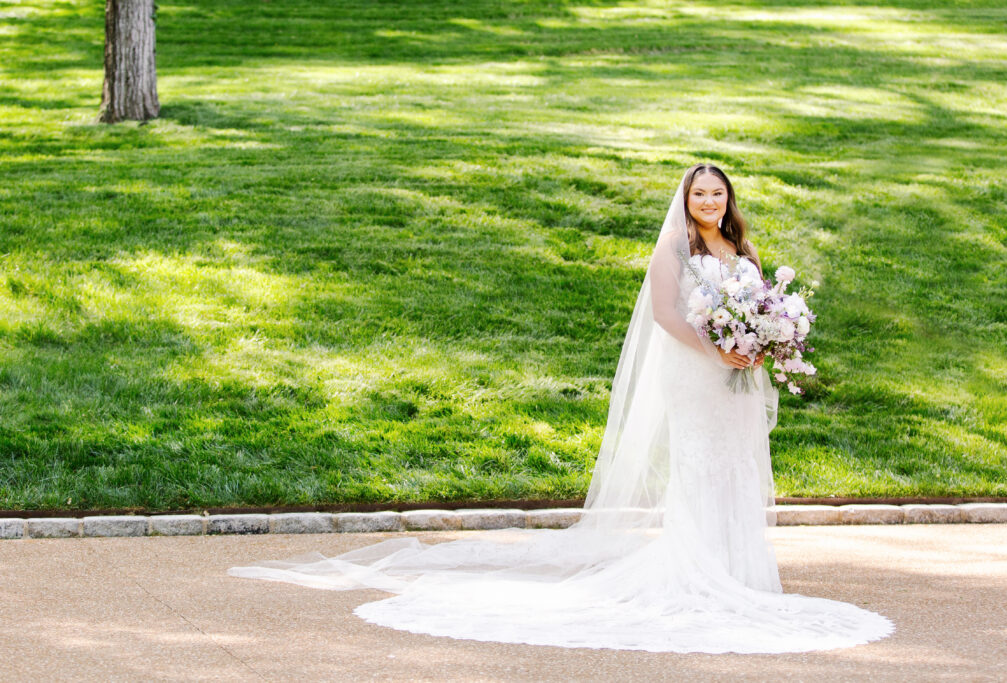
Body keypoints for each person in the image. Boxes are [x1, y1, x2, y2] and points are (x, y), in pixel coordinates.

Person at [229, 163, 893, 653]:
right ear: (686, 201)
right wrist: (718, 351)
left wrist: (761, 341)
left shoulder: (741, 250)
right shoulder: (675, 250)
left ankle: (740, 571)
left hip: (735, 383)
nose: (709, 201)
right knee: (699, 469)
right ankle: (698, 573)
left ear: (729, 201)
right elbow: (666, 315)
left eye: (718, 192)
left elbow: (758, 310)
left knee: (737, 468)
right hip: (695, 377)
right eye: (699, 193)